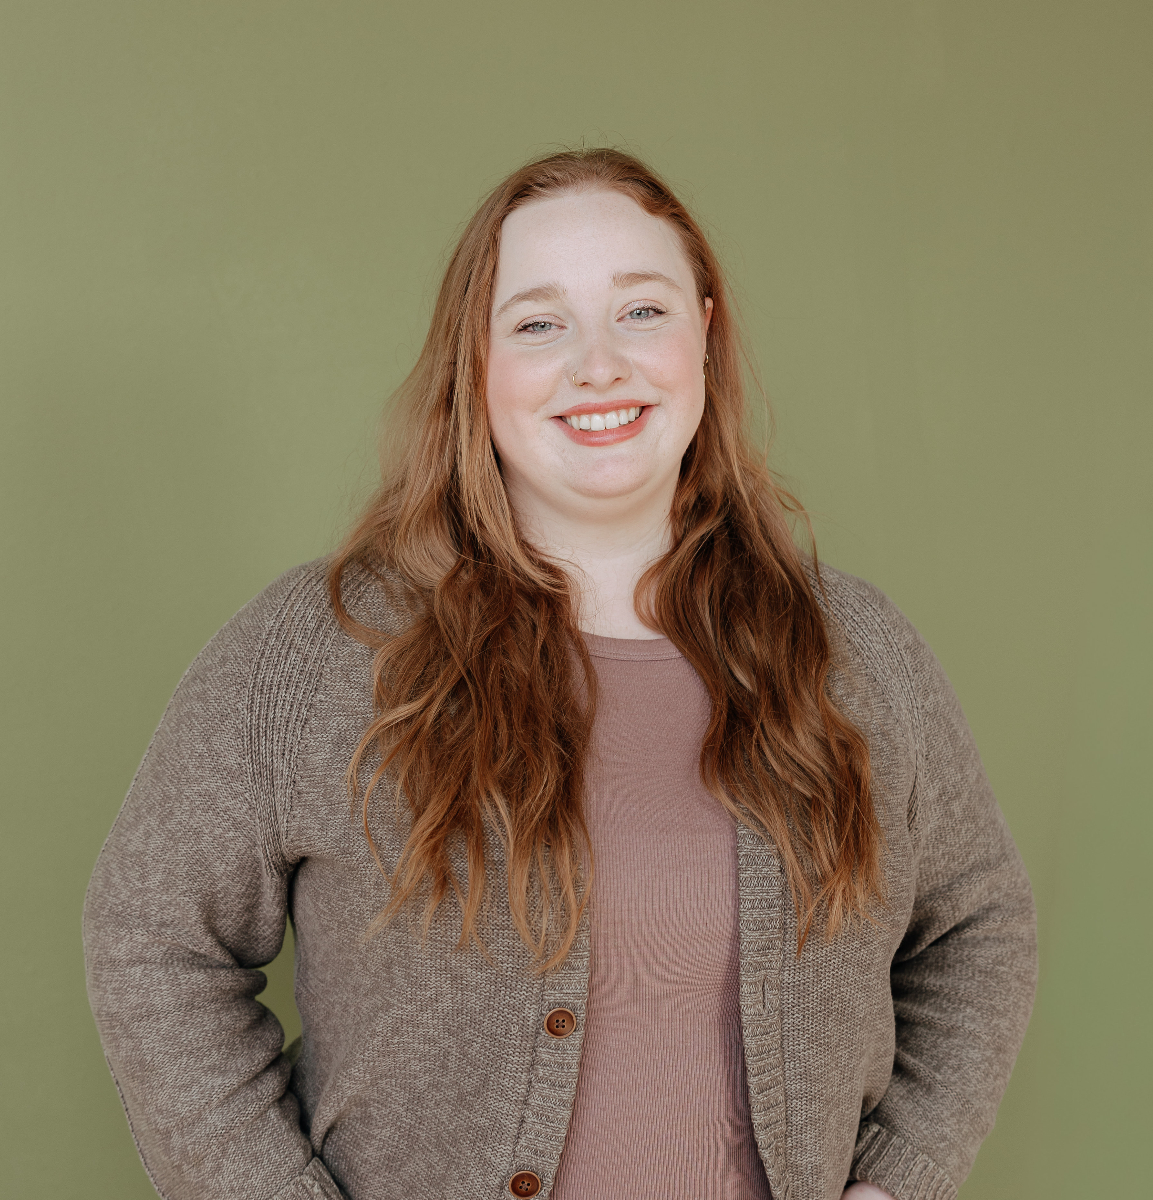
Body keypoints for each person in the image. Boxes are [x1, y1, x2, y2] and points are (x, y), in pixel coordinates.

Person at [84, 148, 1037, 1200]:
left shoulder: (857, 652)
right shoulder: (319, 647)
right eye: (539, 324)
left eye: (642, 312)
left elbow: (981, 926)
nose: (599, 366)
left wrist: (900, 1182)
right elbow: (150, 939)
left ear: (706, 337)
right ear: (475, 366)